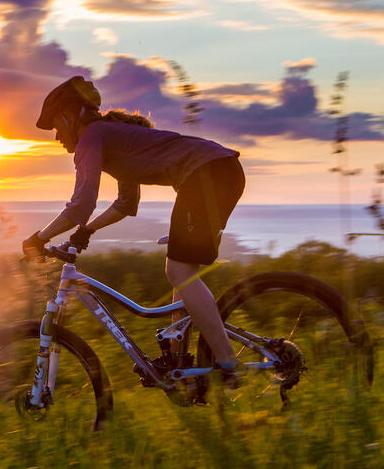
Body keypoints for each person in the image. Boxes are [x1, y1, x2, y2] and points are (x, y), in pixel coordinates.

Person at [21, 76, 246, 379]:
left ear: (69, 117)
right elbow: (125, 204)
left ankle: (228, 364)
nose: (57, 137)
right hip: (219, 171)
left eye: (57, 127)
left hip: (208, 175)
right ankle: (183, 367)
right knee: (182, 270)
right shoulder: (114, 138)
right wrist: (88, 230)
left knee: (178, 271)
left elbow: (81, 205)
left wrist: (39, 237)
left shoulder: (93, 136)